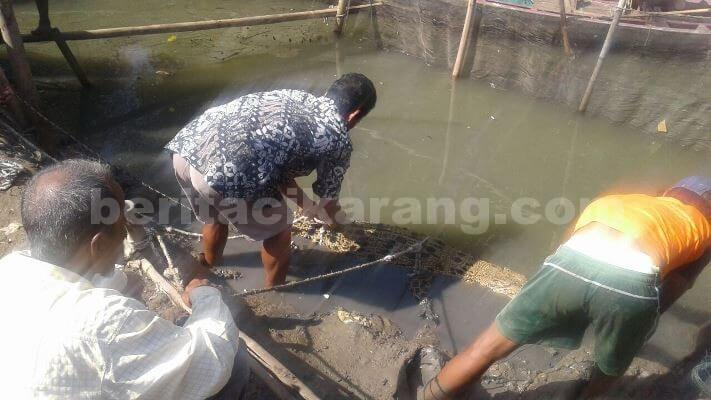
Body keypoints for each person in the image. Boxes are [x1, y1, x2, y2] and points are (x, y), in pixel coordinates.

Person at [424, 176, 711, 399]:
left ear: (670, 193)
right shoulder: (703, 228)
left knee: (484, 348)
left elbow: (565, 246)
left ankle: (429, 396)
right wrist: (639, 324)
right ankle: (586, 396)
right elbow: (678, 284)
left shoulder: (623, 200)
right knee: (609, 367)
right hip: (632, 282)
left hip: (569, 261)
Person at [0, 159, 247, 399]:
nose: (124, 237)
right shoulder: (107, 324)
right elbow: (211, 362)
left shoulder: (10, 270)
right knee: (235, 360)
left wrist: (117, 283)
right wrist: (204, 294)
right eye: (122, 231)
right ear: (99, 244)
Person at [165, 73, 377, 287]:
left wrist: (307, 206)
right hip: (226, 173)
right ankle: (274, 291)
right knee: (279, 231)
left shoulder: (296, 96)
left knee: (215, 216)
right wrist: (339, 225)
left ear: (327, 94)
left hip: (188, 149)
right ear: (354, 115)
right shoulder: (338, 138)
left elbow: (277, 170)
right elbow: (329, 202)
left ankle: (210, 265)